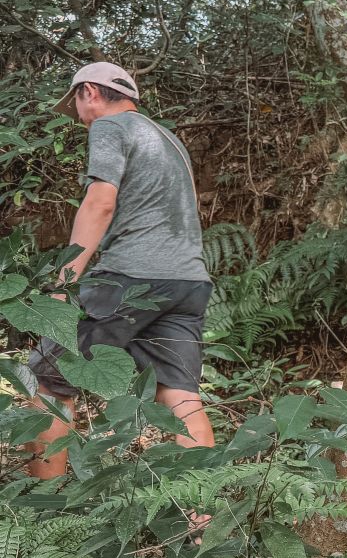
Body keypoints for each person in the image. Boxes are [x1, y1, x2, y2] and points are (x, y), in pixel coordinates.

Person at [26, 62, 214, 479]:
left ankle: (39, 517)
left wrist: (64, 281)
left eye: (74, 101)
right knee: (181, 397)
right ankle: (202, 515)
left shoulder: (110, 128)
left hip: (131, 277)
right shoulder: (167, 139)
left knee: (47, 379)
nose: (76, 115)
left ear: (89, 91)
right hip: (189, 281)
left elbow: (100, 203)